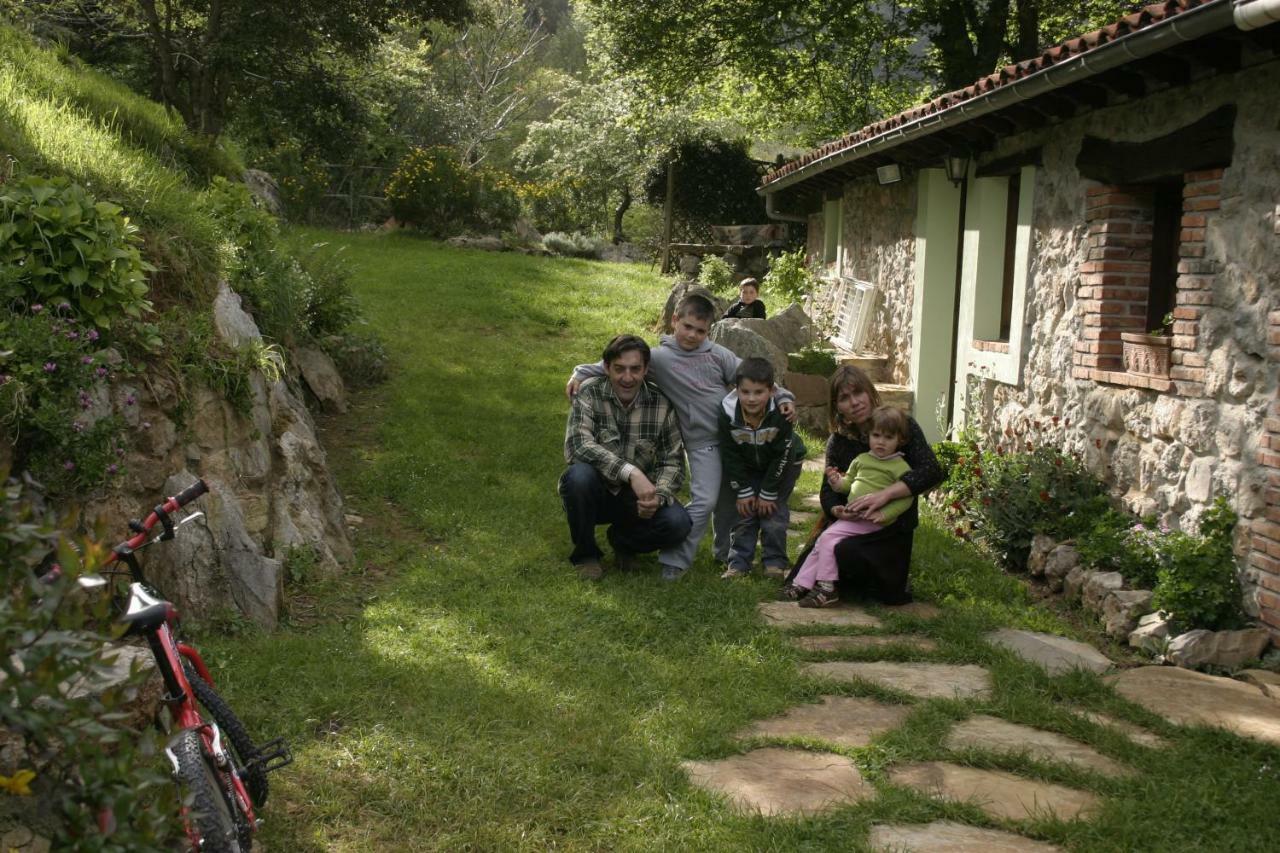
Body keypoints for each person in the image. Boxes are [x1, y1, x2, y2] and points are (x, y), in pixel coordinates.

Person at [566, 294, 794, 581]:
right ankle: (675, 561)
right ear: (675, 320)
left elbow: (752, 376)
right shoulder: (658, 358)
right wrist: (578, 374)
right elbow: (610, 365)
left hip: (737, 436)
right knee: (706, 499)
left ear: (709, 331)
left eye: (700, 330)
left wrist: (784, 397)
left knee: (731, 501)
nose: (692, 335)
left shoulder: (717, 355)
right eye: (687, 326)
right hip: (702, 442)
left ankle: (727, 555)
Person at [784, 365, 943, 604]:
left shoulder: (900, 425)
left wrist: (885, 496)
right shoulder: (838, 441)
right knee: (804, 570)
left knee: (847, 554)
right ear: (837, 407)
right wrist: (837, 510)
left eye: (858, 393)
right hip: (851, 522)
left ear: (870, 392)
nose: (854, 402)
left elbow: (931, 471)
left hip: (890, 525)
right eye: (844, 398)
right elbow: (828, 493)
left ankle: (868, 580)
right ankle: (830, 585)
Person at [560, 334, 692, 580]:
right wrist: (631, 472)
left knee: (678, 523)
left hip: (636, 500)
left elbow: (672, 461)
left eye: (635, 369)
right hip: (596, 491)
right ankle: (586, 555)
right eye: (619, 369)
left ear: (646, 370)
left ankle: (624, 543)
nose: (627, 377)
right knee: (577, 477)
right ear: (607, 368)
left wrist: (658, 496)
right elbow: (578, 445)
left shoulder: (661, 404)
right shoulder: (589, 392)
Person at [781, 406, 912, 607]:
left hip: (872, 520)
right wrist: (836, 482)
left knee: (826, 538)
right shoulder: (862, 460)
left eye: (888, 437)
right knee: (821, 544)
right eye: (876, 435)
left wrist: (885, 513)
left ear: (899, 440)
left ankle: (826, 587)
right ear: (868, 435)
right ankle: (802, 583)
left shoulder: (900, 466)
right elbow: (848, 484)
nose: (881, 442)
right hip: (853, 517)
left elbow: (906, 498)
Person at [718, 357, 805, 579]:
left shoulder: (782, 411)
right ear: (736, 389)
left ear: (771, 391)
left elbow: (784, 453)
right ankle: (738, 564)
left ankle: (774, 562)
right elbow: (729, 453)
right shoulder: (727, 413)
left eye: (759, 392)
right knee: (745, 513)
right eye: (745, 392)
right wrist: (743, 490)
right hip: (747, 466)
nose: (751, 398)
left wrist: (768, 492)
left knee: (772, 512)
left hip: (784, 464)